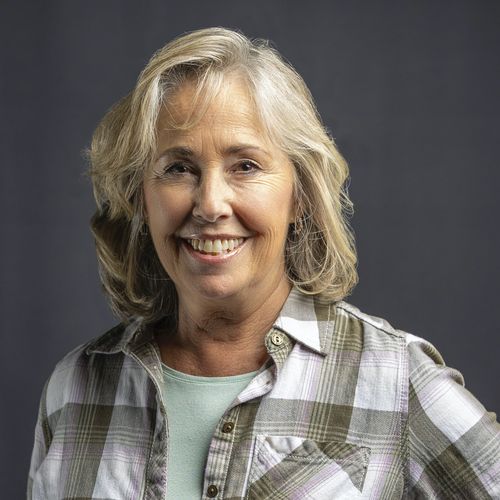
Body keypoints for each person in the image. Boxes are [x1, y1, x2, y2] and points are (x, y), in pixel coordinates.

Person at [28, 27, 499, 499]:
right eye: (178, 168)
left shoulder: (394, 380)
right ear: (141, 198)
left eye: (245, 166)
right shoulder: (75, 388)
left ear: (300, 195)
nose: (210, 204)